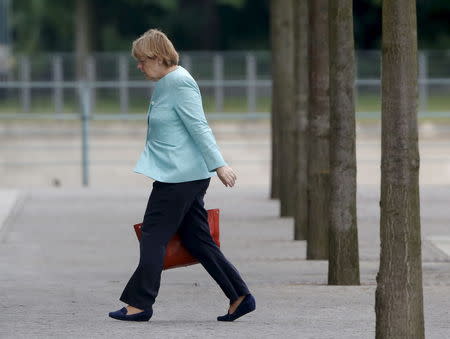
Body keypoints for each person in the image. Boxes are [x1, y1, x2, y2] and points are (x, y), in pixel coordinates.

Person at [108, 29, 255, 322]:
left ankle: (140, 303)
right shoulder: (167, 82)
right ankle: (240, 296)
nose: (139, 66)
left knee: (153, 235)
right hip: (178, 174)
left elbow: (199, 126)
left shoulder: (180, 83)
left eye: (142, 60)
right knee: (197, 239)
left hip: (181, 177)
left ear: (157, 57)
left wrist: (220, 165)